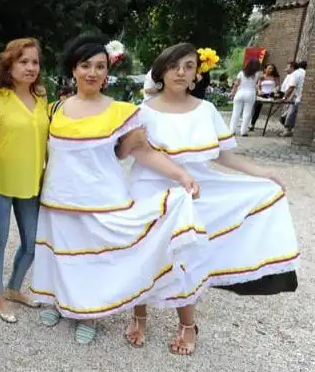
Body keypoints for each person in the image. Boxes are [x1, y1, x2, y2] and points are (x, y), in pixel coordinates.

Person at [127, 43, 300, 354]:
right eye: (174, 65)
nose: (180, 72)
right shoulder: (141, 112)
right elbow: (141, 152)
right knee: (146, 251)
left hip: (198, 190)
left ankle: (187, 324)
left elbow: (223, 155)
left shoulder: (206, 110)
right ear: (162, 70)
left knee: (188, 255)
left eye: (188, 66)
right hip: (150, 188)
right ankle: (139, 316)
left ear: (196, 74)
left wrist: (261, 173)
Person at [31, 35, 203, 345]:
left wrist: (181, 175)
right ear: (74, 70)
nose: (92, 73)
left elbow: (144, 152)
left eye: (100, 66)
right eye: (85, 66)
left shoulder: (121, 112)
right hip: (58, 198)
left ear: (108, 72)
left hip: (101, 199)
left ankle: (90, 313)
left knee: (95, 257)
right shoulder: (54, 108)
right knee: (60, 254)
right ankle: (59, 301)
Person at [0, 38, 49, 323]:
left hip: (32, 183)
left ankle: (13, 287)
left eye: (34, 62)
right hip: (0, 183)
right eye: (23, 61)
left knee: (32, 244)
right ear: (9, 65)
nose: (30, 67)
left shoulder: (43, 98)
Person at [229, 59, 261, 136]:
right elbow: (257, 84)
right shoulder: (257, 74)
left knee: (235, 113)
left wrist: (232, 93)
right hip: (250, 94)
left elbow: (236, 84)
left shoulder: (241, 73)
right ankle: (243, 131)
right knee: (247, 113)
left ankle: (232, 131)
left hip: (240, 93)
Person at [249, 64, 281, 131]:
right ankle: (252, 124)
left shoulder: (275, 77)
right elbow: (258, 86)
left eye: (272, 68)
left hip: (270, 94)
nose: (271, 70)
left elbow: (278, 86)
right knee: (256, 109)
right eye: (269, 68)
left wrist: (275, 89)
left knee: (271, 102)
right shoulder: (262, 77)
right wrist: (259, 91)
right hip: (262, 94)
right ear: (265, 69)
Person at [282, 61, 307, 137]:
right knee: (291, 113)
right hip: (300, 97)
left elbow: (291, 87)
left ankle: (288, 131)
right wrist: (289, 98)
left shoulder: (295, 74)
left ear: (292, 67)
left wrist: (283, 98)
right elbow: (296, 88)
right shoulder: (303, 72)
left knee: (291, 114)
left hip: (300, 97)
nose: (286, 69)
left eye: (288, 67)